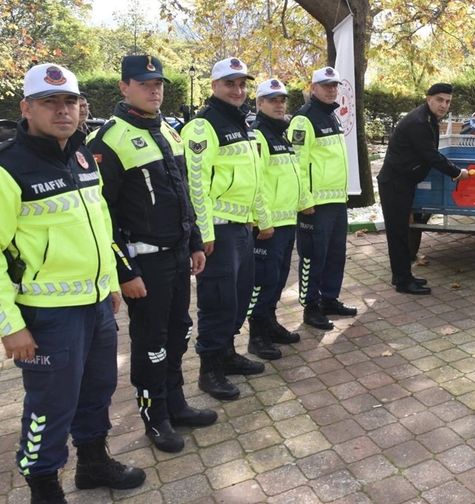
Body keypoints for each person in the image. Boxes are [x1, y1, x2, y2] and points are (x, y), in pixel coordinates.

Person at [0, 63, 145, 503]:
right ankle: (44, 486)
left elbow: (100, 223)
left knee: (98, 390)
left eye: (70, 101)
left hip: (97, 304)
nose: (63, 110)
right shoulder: (8, 169)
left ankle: (93, 463)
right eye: (49, 102)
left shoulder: (82, 156)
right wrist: (10, 324)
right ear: (26, 108)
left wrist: (112, 282)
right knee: (50, 405)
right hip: (47, 317)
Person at [87, 55, 218, 454]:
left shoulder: (167, 129)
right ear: (124, 86)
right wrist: (124, 271)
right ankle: (154, 417)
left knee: (179, 331)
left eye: (158, 82)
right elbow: (101, 216)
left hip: (177, 255)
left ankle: (175, 402)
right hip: (144, 263)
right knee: (151, 341)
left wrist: (195, 240)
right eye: (145, 83)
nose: (154, 89)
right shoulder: (108, 141)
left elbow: (183, 192)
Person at [182, 57, 273, 401]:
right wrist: (203, 233)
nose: (238, 90)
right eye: (230, 84)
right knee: (217, 302)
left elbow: (255, 177)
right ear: (214, 86)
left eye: (242, 84)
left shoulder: (245, 125)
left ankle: (228, 353)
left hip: (241, 229)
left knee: (239, 296)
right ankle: (210, 369)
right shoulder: (203, 127)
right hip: (217, 232)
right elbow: (196, 185)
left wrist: (261, 220)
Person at [378, 83, 471, 295]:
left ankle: (403, 276)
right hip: (394, 183)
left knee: (402, 232)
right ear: (428, 99)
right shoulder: (419, 122)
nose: (444, 105)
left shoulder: (428, 118)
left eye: (447, 101)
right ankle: (402, 281)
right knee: (398, 233)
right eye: (439, 100)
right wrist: (457, 173)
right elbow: (431, 155)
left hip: (403, 182)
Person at [287, 67, 357, 329]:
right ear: (312, 88)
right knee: (313, 257)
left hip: (336, 200)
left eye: (334, 85)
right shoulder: (304, 119)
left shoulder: (332, 116)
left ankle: (329, 299)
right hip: (315, 204)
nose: (331, 90)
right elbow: (297, 163)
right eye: (325, 85)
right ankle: (311, 307)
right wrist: (304, 200)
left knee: (335, 254)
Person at [245, 78, 309, 359]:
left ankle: (270, 323)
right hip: (268, 226)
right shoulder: (258, 134)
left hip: (286, 221)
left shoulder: (280, 134)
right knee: (263, 280)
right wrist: (263, 220)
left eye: (282, 99)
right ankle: (256, 335)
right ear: (259, 104)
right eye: (272, 100)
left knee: (278, 278)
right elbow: (256, 182)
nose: (279, 104)